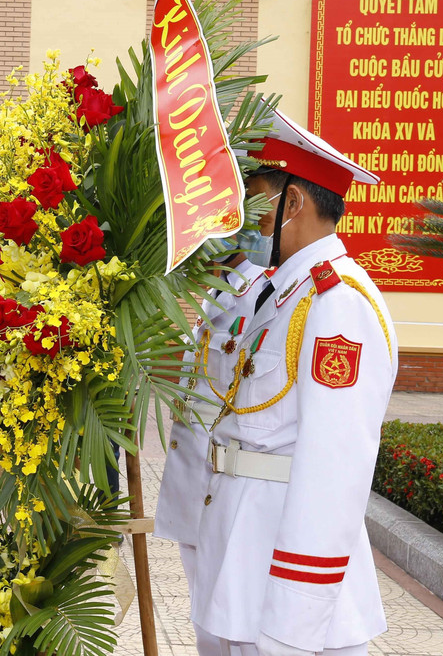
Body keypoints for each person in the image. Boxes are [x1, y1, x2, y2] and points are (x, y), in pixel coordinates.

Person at [192, 108, 398, 656]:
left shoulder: (338, 305)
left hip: (284, 564)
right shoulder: (278, 293)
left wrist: (298, 608)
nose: (248, 219)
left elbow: (337, 464)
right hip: (242, 542)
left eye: (258, 200)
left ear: (295, 202)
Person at [153, 252, 265, 656]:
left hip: (225, 485)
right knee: (206, 622)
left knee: (236, 628)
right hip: (195, 484)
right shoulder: (215, 290)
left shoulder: (260, 290)